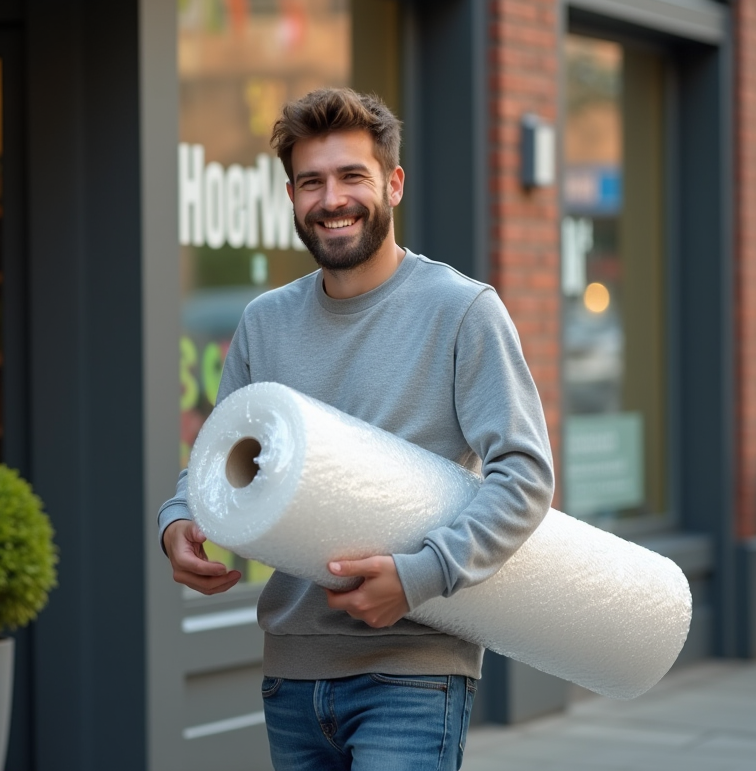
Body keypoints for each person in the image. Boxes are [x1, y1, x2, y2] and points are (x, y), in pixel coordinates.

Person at [158, 88, 554, 771]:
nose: (331, 199)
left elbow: (525, 475)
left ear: (392, 185)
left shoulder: (462, 311)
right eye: (312, 182)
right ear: (291, 196)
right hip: (292, 672)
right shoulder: (264, 322)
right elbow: (221, 465)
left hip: (414, 667)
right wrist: (176, 520)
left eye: (351, 177)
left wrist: (419, 575)